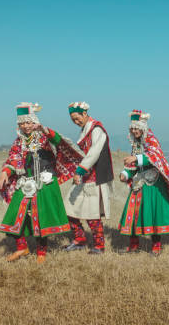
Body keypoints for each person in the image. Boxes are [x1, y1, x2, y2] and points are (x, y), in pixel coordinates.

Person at [0, 103, 84, 263]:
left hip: (45, 183)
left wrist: (43, 129)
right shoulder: (19, 142)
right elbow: (13, 160)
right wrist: (5, 172)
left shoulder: (44, 137)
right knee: (15, 213)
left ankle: (41, 253)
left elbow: (58, 140)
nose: (25, 126)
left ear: (34, 122)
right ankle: (22, 247)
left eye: (28, 122)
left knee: (40, 217)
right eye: (22, 123)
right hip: (25, 182)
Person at [118, 110, 169, 256]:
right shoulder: (136, 144)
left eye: (137, 128)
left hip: (153, 184)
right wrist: (124, 174)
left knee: (153, 214)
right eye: (132, 128)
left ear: (143, 127)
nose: (134, 131)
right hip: (139, 183)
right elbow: (132, 165)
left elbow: (154, 156)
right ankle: (134, 246)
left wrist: (136, 159)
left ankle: (156, 247)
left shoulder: (151, 140)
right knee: (133, 213)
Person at [63, 102, 114, 254]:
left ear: (84, 114)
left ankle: (99, 246)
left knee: (92, 214)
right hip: (83, 177)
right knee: (68, 208)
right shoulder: (85, 129)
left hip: (94, 178)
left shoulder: (97, 130)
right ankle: (80, 239)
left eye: (77, 118)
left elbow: (94, 153)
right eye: (73, 120)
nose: (76, 122)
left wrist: (79, 170)